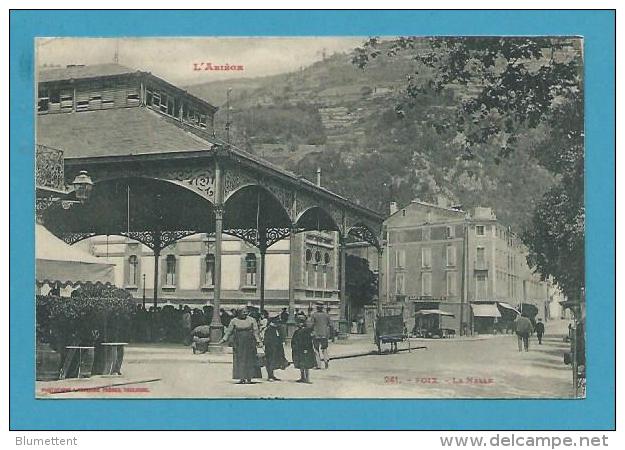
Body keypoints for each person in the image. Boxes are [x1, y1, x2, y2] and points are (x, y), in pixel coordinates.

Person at [219, 307, 262, 384]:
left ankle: (249, 377)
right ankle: (241, 378)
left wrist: (258, 341)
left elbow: (256, 331)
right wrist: (224, 339)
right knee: (239, 359)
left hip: (250, 342)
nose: (245, 313)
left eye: (246, 312)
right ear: (239, 312)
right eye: (243, 312)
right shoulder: (234, 320)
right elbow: (229, 331)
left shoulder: (252, 320)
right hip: (238, 342)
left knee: (250, 359)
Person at [263, 316, 289, 381]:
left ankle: (272, 375)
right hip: (271, 348)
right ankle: (270, 376)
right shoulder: (269, 329)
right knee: (270, 360)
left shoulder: (277, 328)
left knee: (275, 360)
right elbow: (267, 340)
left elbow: (280, 337)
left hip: (277, 347)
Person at [291, 316, 315, 383]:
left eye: (300, 323)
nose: (299, 324)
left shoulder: (306, 331)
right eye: (298, 323)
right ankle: (302, 377)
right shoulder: (298, 331)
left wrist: (306, 349)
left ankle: (307, 378)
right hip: (299, 349)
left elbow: (307, 341)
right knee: (301, 364)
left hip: (305, 349)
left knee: (306, 364)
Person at [311, 301, 331, 369]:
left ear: (317, 307)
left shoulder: (314, 315)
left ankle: (318, 364)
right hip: (324, 334)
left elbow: (311, 325)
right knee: (324, 349)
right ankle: (326, 360)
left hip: (316, 334)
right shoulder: (326, 315)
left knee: (316, 350)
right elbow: (329, 325)